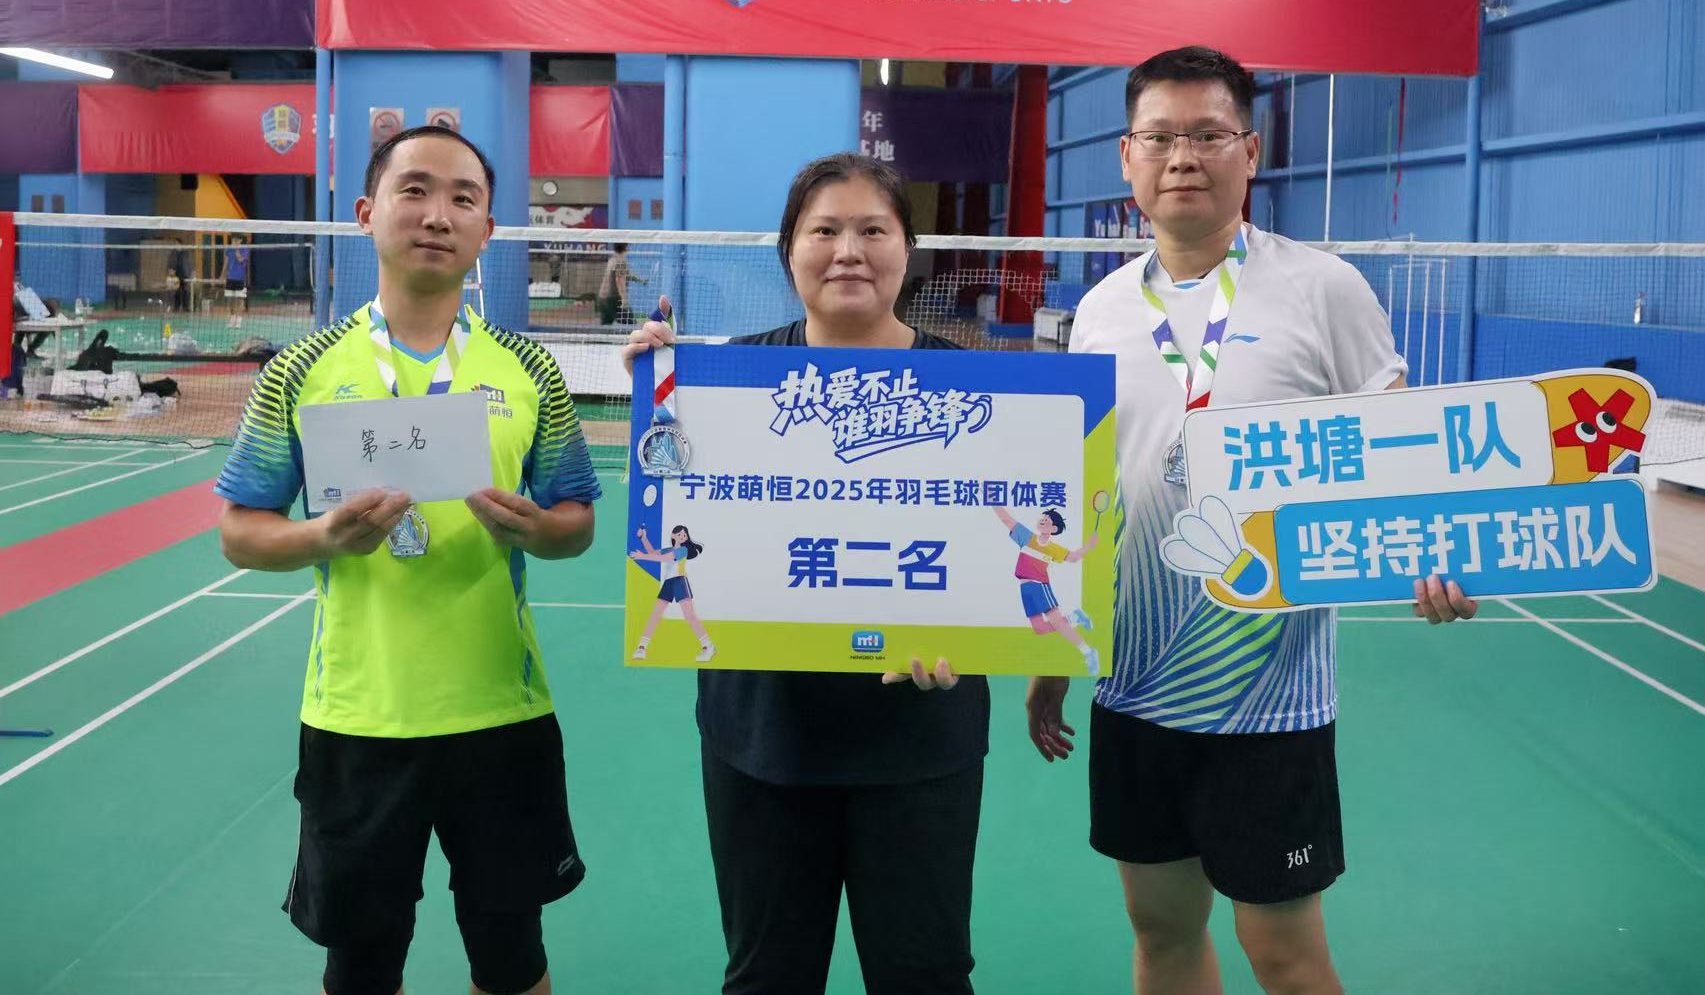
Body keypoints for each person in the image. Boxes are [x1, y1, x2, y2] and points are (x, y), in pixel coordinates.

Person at [1025, 46, 1479, 995]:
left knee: (1284, 954)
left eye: (1207, 134)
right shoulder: (1099, 310)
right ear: (1125, 157)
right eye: (1159, 137)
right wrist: (1052, 651)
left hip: (1270, 701)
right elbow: (1081, 490)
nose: (1182, 157)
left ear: (1250, 149)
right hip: (1133, 687)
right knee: (1160, 929)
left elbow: (1404, 449)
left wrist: (1439, 557)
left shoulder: (1322, 288)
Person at [214, 124, 601, 995]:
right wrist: (321, 538)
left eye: (464, 198)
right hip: (360, 718)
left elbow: (576, 520)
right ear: (367, 211)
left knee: (512, 957)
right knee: (360, 966)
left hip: (500, 711)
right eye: (414, 189)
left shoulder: (529, 368)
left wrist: (538, 530)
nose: (437, 214)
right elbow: (239, 530)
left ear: (487, 229)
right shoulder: (301, 368)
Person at [623, 152, 985, 995]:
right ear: (789, 250)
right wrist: (656, 386)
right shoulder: (724, 383)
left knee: (926, 977)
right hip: (763, 739)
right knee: (767, 976)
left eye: (872, 230)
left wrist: (981, 640)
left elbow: (1004, 564)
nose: (848, 250)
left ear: (907, 249)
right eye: (824, 230)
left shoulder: (979, 393)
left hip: (920, 739)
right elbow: (670, 500)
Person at [991, 505, 1101, 674]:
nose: (1042, 520)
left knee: (1058, 623)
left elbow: (1073, 557)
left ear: (1054, 529)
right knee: (1039, 628)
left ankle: (1088, 651)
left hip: (1040, 586)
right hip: (1025, 588)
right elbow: (1006, 519)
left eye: (1047, 520)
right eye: (1042, 518)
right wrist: (991, 499)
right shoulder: (1027, 537)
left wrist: (1089, 545)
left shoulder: (1054, 549)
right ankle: (1075, 617)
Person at [630, 524, 715, 661]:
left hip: (680, 581)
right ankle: (641, 647)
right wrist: (643, 537)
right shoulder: (669, 549)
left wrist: (642, 556)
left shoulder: (683, 550)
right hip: (668, 583)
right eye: (680, 534)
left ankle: (708, 645)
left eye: (685, 535)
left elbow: (665, 559)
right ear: (673, 535)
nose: (683, 536)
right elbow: (653, 553)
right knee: (655, 615)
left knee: (689, 615)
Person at [596, 243, 644, 325]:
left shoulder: (612, 260)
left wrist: (640, 280)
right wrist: (624, 299)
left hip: (602, 298)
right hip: (613, 300)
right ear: (626, 248)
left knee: (605, 326)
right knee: (631, 324)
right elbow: (619, 280)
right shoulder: (620, 261)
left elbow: (625, 275)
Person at [222, 233, 251, 328]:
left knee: (240, 300)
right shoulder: (228, 249)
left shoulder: (245, 249)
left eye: (237, 239)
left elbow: (241, 260)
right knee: (230, 300)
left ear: (240, 240)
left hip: (240, 278)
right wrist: (222, 275)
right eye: (233, 239)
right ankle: (232, 319)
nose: (234, 241)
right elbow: (226, 263)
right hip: (230, 278)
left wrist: (237, 251)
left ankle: (238, 321)